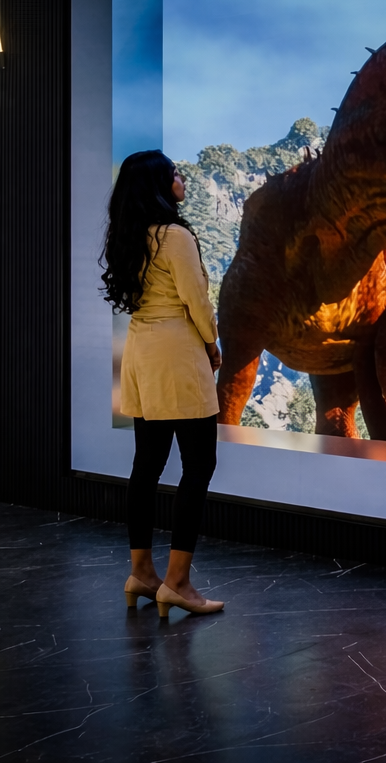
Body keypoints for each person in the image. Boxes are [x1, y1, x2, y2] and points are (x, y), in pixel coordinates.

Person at [100, 150, 225, 617]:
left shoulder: (127, 234)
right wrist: (213, 346)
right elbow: (197, 301)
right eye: (175, 173)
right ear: (158, 184)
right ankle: (178, 583)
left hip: (141, 352)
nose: (182, 178)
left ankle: (142, 573)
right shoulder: (175, 236)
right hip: (178, 354)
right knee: (198, 466)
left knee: (146, 466)